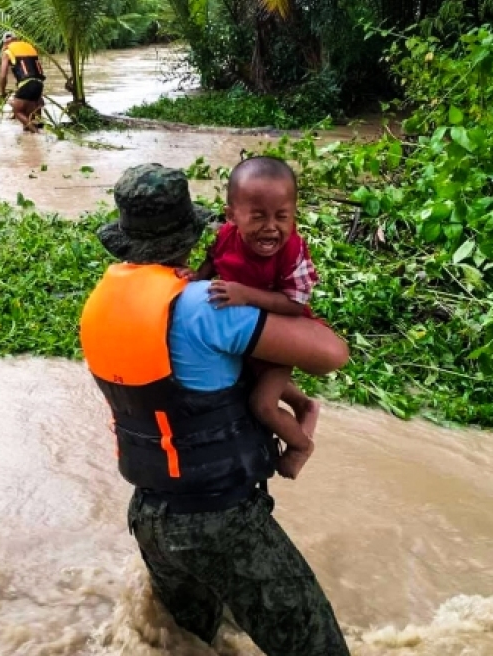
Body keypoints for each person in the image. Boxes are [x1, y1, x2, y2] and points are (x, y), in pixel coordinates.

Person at [78, 164, 351, 655]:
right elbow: (332, 354)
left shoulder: (101, 303)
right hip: (220, 518)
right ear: (193, 232)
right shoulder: (206, 304)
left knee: (189, 644)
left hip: (149, 514)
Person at [179, 156, 322, 479]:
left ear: (294, 215)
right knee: (249, 381)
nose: (271, 226)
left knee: (263, 405)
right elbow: (212, 265)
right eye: (258, 216)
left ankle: (300, 445)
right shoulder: (225, 236)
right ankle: (305, 405)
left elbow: (295, 304)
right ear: (232, 216)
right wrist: (194, 279)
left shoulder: (293, 251)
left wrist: (244, 294)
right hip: (246, 332)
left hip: (283, 332)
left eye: (282, 217)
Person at [0, 33, 45, 133]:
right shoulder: (29, 47)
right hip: (39, 84)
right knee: (30, 119)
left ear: (5, 44)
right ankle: (34, 141)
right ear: (17, 39)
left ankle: (37, 134)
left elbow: (3, 75)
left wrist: (2, 93)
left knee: (18, 111)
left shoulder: (7, 51)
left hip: (26, 84)